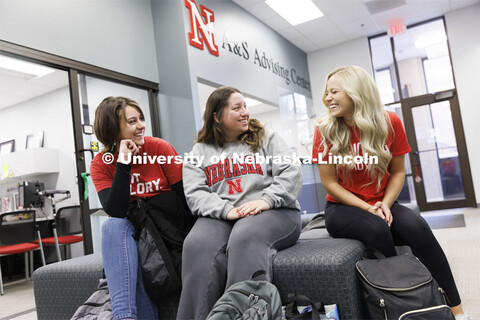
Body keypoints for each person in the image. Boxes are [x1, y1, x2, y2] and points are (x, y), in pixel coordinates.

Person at [312, 65, 470, 319]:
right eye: (326, 93)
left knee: (417, 227)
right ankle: (404, 307)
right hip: (342, 208)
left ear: (356, 92)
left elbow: (397, 173)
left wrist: (384, 203)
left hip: (382, 201)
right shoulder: (325, 130)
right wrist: (369, 208)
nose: (327, 98)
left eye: (334, 92)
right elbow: (330, 183)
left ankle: (457, 309)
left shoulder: (389, 122)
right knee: (377, 228)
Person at [176, 86, 302, 319]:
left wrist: (266, 200)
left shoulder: (266, 138)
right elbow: (195, 194)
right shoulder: (199, 151)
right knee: (196, 244)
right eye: (237, 108)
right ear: (217, 116)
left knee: (245, 235)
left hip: (275, 211)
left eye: (245, 106)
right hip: (225, 215)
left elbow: (291, 172)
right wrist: (227, 211)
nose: (245, 112)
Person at [90, 96, 193, 320]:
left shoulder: (159, 148)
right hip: (134, 236)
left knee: (128, 254)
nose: (141, 126)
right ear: (112, 128)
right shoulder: (102, 163)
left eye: (141, 119)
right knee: (112, 227)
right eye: (132, 121)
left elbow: (187, 199)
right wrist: (123, 163)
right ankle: (124, 316)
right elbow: (116, 211)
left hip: (167, 234)